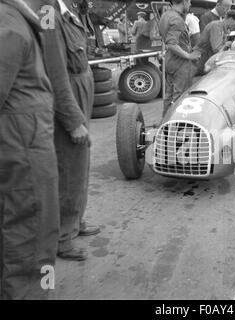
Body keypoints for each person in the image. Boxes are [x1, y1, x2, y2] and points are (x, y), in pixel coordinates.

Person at [0, 0, 59, 299]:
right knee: (31, 234)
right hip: (23, 151)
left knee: (32, 230)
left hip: (27, 144)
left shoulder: (20, 21)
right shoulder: (9, 24)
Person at [45, 0, 100, 261]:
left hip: (81, 86)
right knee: (69, 168)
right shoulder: (48, 13)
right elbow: (55, 73)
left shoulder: (73, 12)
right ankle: (62, 238)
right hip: (69, 93)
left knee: (81, 163)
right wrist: (72, 119)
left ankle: (76, 221)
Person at [159, 0, 201, 117]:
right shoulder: (177, 20)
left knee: (169, 96)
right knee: (181, 98)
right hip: (180, 63)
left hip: (170, 61)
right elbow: (171, 43)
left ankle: (165, 122)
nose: (190, 5)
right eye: (190, 2)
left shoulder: (165, 16)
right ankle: (177, 125)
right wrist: (189, 55)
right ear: (185, 1)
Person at [195, 10, 235, 75]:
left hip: (206, 62)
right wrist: (227, 44)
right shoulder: (216, 26)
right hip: (200, 62)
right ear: (231, 19)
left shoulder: (224, 29)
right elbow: (217, 50)